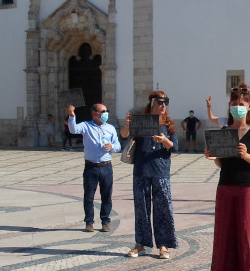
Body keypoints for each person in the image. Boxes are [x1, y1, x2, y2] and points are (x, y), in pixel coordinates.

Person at [204, 83, 250, 271]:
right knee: (224, 237)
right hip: (224, 187)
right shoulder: (225, 132)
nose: (237, 107)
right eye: (233, 104)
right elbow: (223, 165)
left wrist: (246, 156)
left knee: (248, 238)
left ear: (249, 105)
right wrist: (214, 158)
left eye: (241, 104)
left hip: (247, 189)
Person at [121, 91, 178, 259]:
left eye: (165, 102)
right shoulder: (141, 121)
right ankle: (141, 243)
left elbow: (174, 147)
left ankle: (163, 245)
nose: (163, 106)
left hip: (161, 171)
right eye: (160, 102)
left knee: (163, 208)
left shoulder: (169, 124)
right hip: (141, 169)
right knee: (141, 209)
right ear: (152, 103)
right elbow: (125, 135)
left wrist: (164, 141)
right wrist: (127, 125)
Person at [68, 103, 121, 233]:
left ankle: (105, 221)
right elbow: (73, 129)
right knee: (89, 196)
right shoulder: (86, 126)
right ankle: (89, 222)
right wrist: (71, 115)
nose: (105, 114)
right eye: (103, 111)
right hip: (91, 167)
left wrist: (112, 147)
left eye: (106, 111)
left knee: (106, 196)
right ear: (94, 113)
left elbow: (118, 145)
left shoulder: (110, 128)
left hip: (106, 166)